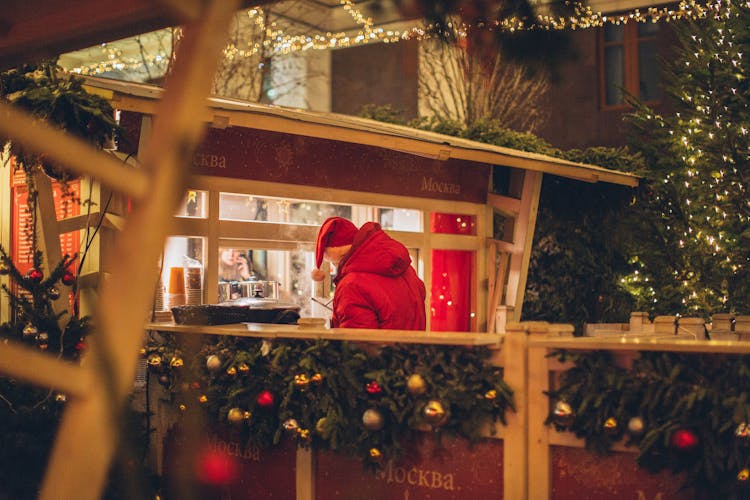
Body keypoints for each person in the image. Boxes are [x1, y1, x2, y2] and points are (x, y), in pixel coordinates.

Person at [311, 217, 426, 330]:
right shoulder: (407, 270)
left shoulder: (351, 286)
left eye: (334, 264)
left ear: (341, 257)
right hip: (414, 348)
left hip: (385, 349)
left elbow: (357, 344)